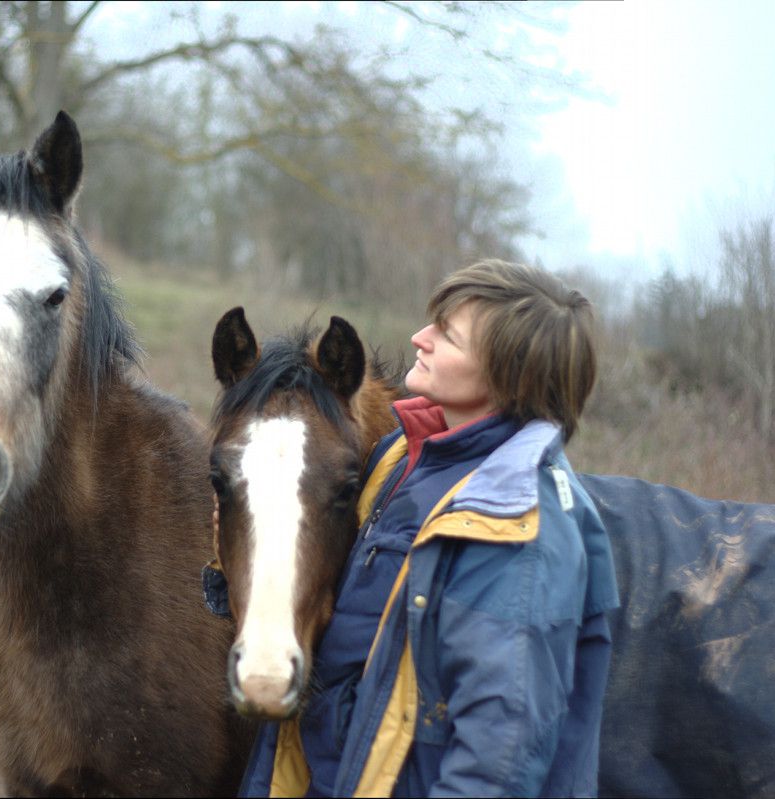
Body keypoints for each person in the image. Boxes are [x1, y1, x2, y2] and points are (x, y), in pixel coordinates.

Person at [239, 260, 620, 797]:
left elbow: (497, 760)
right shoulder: (403, 459)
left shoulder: (519, 532)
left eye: (448, 335)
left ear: (508, 377)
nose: (421, 338)